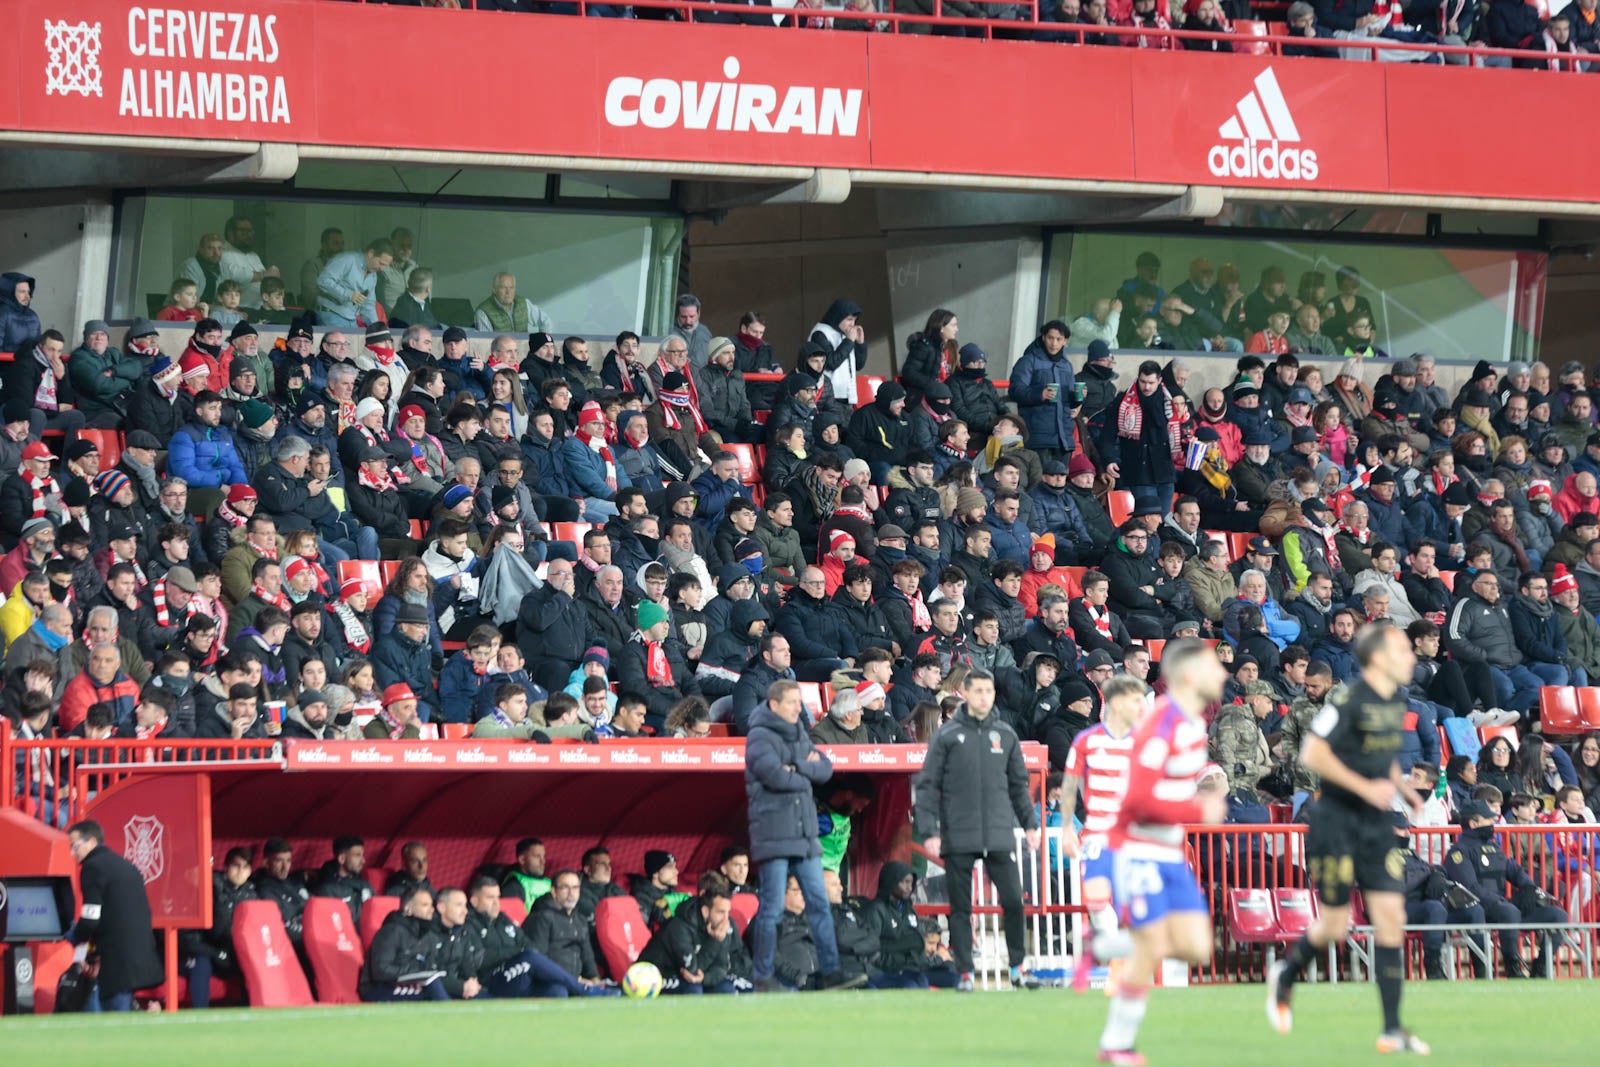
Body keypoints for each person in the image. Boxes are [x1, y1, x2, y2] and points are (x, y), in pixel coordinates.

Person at [1268, 621, 1430, 1054]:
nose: (1413, 656)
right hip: (1336, 821)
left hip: (1376, 823)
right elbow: (1312, 752)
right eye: (1403, 650)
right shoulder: (1348, 698)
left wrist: (1402, 787)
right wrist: (1365, 788)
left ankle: (1392, 1028)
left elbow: (1378, 756)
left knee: (1390, 918)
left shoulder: (1395, 702)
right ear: (1379, 658)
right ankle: (1285, 975)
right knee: (1336, 924)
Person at [1096, 640, 1228, 1065]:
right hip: (1139, 851)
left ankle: (1103, 946)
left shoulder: (1190, 726)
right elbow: (1136, 797)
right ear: (1190, 676)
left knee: (1196, 948)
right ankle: (1116, 1044)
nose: (1223, 673)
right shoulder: (1163, 723)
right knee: (1151, 947)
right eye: (1213, 666)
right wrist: (1196, 808)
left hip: (1169, 853)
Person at [914, 668, 1041, 992]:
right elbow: (927, 787)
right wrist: (930, 831)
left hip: (999, 833)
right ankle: (966, 973)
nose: (984, 696)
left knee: (1014, 901)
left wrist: (1030, 824)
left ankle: (1017, 968)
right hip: (958, 834)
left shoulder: (1006, 735)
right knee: (961, 907)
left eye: (989, 691)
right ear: (965, 694)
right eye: (978, 691)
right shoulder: (946, 735)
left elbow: (1018, 786)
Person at [744, 678, 868, 993]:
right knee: (772, 907)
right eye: (792, 703)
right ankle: (763, 976)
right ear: (774, 705)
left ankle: (830, 972)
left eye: (800, 703)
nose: (799, 708)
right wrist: (804, 770)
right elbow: (774, 775)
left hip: (805, 835)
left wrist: (795, 767)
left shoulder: (799, 733)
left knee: (819, 904)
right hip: (775, 835)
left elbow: (825, 770)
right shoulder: (759, 735)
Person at [1059, 674, 1142, 986]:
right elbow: (1069, 787)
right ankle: (1116, 959)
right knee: (1097, 901)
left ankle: (1123, 960)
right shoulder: (1086, 740)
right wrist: (1067, 829)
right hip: (1095, 834)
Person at [68, 819, 164, 1011]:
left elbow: (90, 918)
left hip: (116, 957)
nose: (73, 852)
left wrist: (76, 939)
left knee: (116, 1020)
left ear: (92, 842)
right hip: (139, 951)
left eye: (75, 846)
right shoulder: (126, 865)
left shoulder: (92, 867)